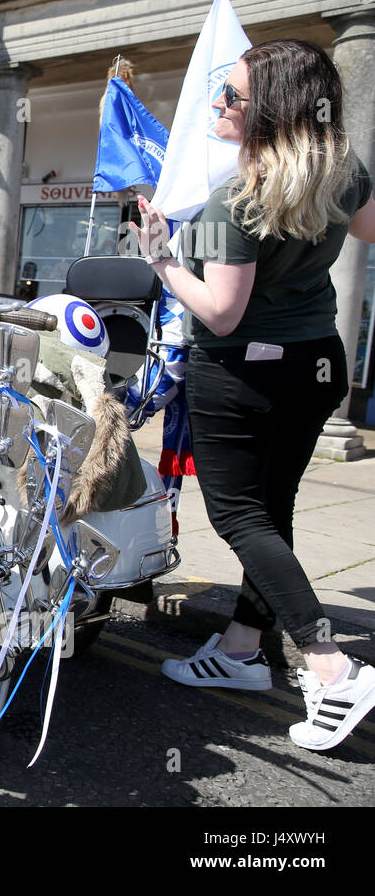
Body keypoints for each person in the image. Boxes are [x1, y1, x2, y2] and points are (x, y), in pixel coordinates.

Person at [134, 39, 375, 752]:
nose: (218, 104)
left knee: (240, 514)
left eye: (231, 96)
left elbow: (219, 312)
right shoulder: (343, 173)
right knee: (274, 510)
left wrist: (161, 259)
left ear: (268, 110)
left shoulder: (233, 201)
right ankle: (241, 648)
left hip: (243, 370)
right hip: (317, 364)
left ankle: (331, 667)